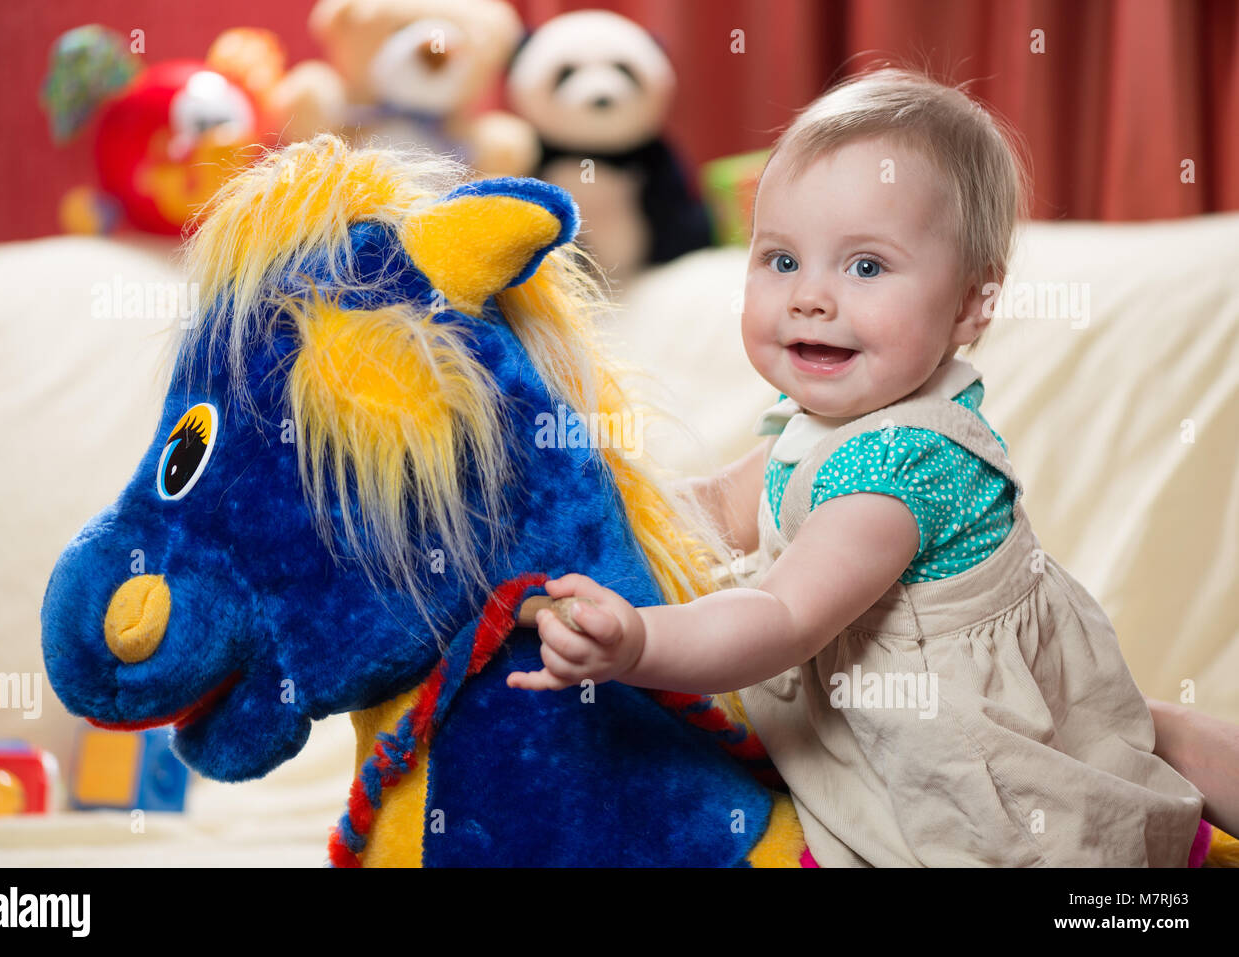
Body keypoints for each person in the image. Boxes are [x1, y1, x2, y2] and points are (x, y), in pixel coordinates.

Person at [507, 68, 1228, 866]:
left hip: (960, 771)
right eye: (781, 261)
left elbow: (780, 619)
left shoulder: (898, 471)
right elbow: (710, 506)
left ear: (969, 307)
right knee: (1141, 732)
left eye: (866, 267)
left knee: (1118, 781)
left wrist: (639, 642)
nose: (811, 297)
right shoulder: (817, 425)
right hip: (970, 698)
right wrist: (578, 518)